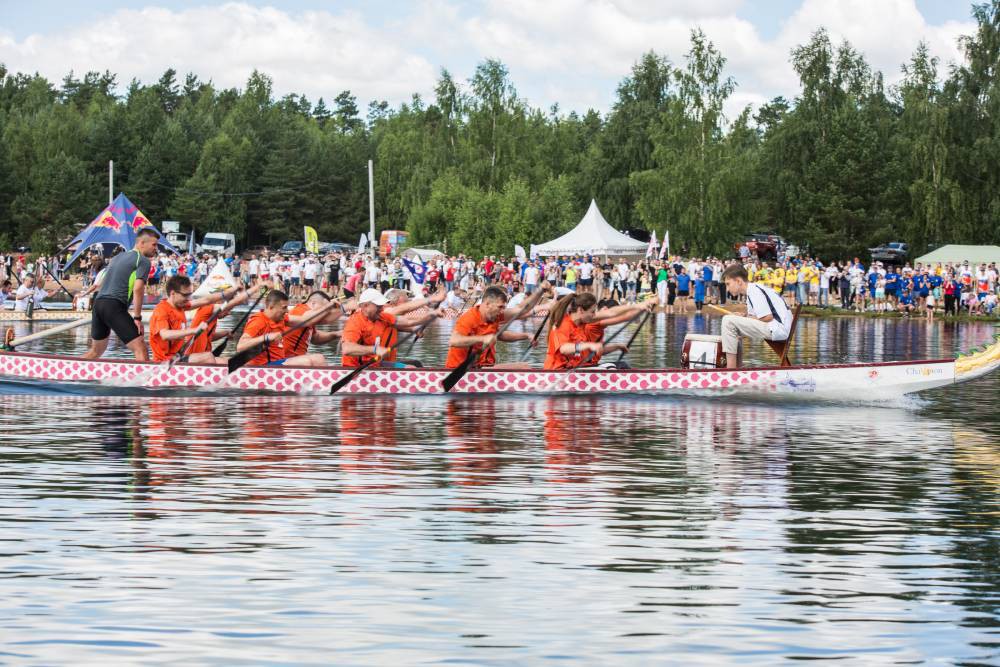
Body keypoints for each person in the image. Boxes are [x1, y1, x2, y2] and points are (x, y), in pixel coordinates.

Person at [83, 228, 161, 361]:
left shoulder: (117, 258)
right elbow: (138, 289)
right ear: (142, 243)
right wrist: (137, 318)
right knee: (140, 347)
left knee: (96, 351)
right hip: (113, 305)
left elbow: (100, 284)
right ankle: (145, 380)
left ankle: (68, 373)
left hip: (98, 304)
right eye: (154, 244)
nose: (156, 248)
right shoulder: (142, 261)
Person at [445, 284, 547, 370]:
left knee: (524, 367)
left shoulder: (495, 316)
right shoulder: (469, 318)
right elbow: (454, 340)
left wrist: (540, 290)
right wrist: (482, 339)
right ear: (488, 304)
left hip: (484, 368)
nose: (502, 311)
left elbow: (522, 309)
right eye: (500, 307)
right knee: (524, 367)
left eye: (504, 307)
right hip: (460, 370)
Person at [148, 275, 246, 364]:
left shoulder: (181, 306)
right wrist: (194, 330)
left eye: (190, 295)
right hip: (164, 361)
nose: (189, 298)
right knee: (208, 356)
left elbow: (206, 300)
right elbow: (165, 335)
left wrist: (233, 290)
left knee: (225, 361)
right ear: (173, 293)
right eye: (185, 295)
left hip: (178, 357)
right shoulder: (161, 310)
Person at [340, 288, 437, 368]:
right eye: (378, 306)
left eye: (381, 306)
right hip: (354, 368)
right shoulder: (355, 322)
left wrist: (432, 314)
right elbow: (347, 349)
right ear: (365, 306)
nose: (382, 309)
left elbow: (408, 321)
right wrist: (375, 349)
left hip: (375, 364)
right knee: (411, 369)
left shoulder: (381, 317)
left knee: (414, 366)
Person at [720, 264, 792, 369]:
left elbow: (767, 317)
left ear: (739, 281)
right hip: (778, 327)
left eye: (728, 284)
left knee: (728, 321)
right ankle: (737, 368)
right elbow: (754, 317)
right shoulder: (753, 290)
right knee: (734, 326)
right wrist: (743, 317)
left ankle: (730, 370)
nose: (727, 289)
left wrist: (742, 319)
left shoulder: (754, 291)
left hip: (777, 328)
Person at [235, 290, 326, 367]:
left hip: (278, 363)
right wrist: (266, 337)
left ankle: (321, 386)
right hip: (265, 367)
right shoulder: (258, 321)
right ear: (271, 307)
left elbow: (305, 320)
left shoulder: (282, 319)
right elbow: (240, 346)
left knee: (319, 358)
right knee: (306, 362)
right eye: (284, 308)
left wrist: (328, 306)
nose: (287, 311)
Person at [186, 284, 258, 357]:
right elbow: (238, 302)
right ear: (219, 302)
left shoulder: (213, 318)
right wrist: (257, 287)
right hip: (194, 357)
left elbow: (210, 337)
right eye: (228, 309)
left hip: (203, 356)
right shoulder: (207, 308)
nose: (228, 313)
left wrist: (225, 333)